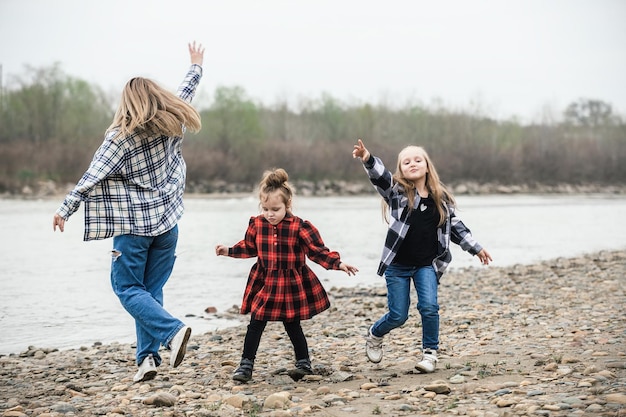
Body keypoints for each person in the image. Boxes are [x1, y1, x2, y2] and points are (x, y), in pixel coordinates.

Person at [52, 42, 206, 383]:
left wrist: (66, 209)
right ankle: (147, 359)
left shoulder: (120, 137)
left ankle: (173, 332)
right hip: (167, 225)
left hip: (134, 228)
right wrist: (196, 65)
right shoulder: (174, 121)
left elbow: (93, 174)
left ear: (128, 103)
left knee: (126, 288)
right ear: (157, 98)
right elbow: (186, 90)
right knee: (149, 291)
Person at [352, 139, 492, 373]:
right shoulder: (396, 194)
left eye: (418, 160)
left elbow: (456, 227)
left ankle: (430, 354)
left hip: (426, 265)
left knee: (429, 307)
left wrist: (476, 247)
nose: (412, 163)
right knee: (398, 315)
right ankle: (375, 333)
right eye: (406, 162)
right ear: (401, 169)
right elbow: (381, 177)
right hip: (397, 266)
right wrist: (367, 158)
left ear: (427, 166)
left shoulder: (441, 199)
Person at [215, 168, 359, 383]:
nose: (270, 213)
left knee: (292, 324)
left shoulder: (299, 227)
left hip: (291, 283)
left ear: (287, 205)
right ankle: (246, 365)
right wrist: (228, 251)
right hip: (265, 282)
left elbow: (317, 251)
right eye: (265, 209)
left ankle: (303, 362)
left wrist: (338, 264)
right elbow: (249, 247)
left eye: (275, 209)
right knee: (256, 322)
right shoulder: (257, 224)